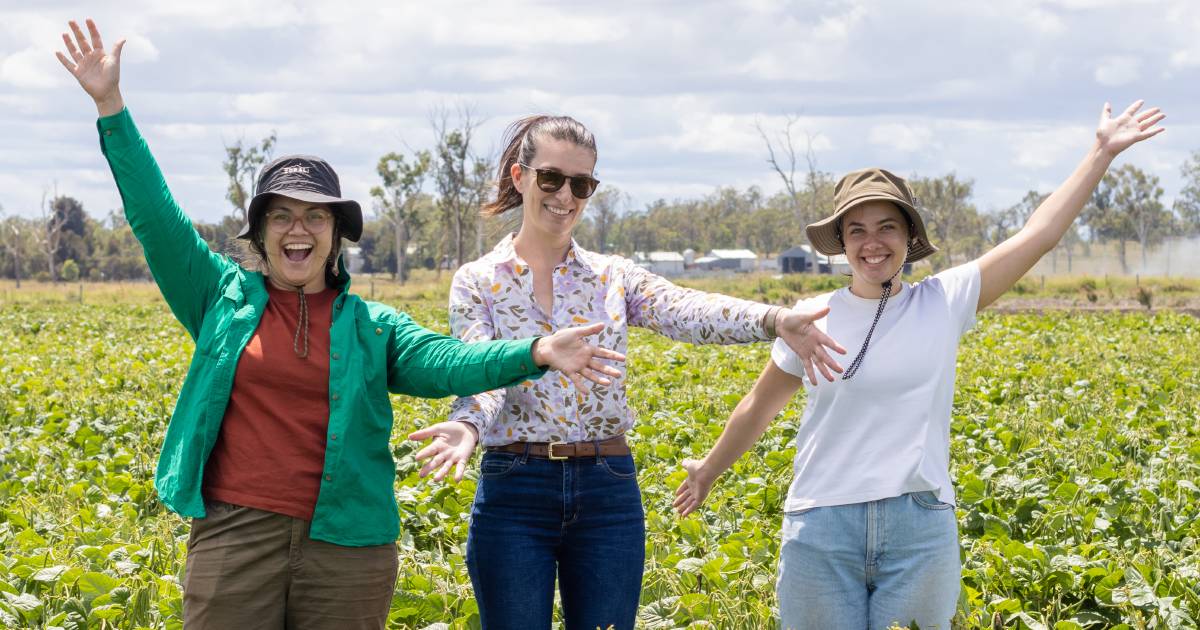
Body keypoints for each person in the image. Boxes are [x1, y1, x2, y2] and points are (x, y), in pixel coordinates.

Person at [56, 19, 625, 630]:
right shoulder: (219, 298)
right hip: (236, 534)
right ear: (260, 231)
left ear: (335, 236)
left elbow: (446, 362)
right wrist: (110, 107)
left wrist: (534, 350)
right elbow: (155, 218)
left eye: (314, 218)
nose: (297, 229)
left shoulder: (371, 326)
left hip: (349, 545)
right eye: (281, 216)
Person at [672, 102, 1166, 629]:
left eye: (887, 226)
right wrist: (708, 470)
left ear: (909, 237)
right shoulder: (808, 317)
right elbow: (758, 406)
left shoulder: (944, 300)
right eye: (856, 230)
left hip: (918, 526)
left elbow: (1038, 236)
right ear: (841, 243)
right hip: (820, 525)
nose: (872, 242)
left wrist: (1100, 152)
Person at [407, 114, 847, 630]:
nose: (565, 196)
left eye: (582, 184)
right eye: (551, 178)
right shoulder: (479, 281)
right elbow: (480, 369)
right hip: (515, 485)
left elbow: (687, 310)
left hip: (605, 485)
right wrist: (470, 425)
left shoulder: (612, 276)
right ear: (519, 177)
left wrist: (773, 319)